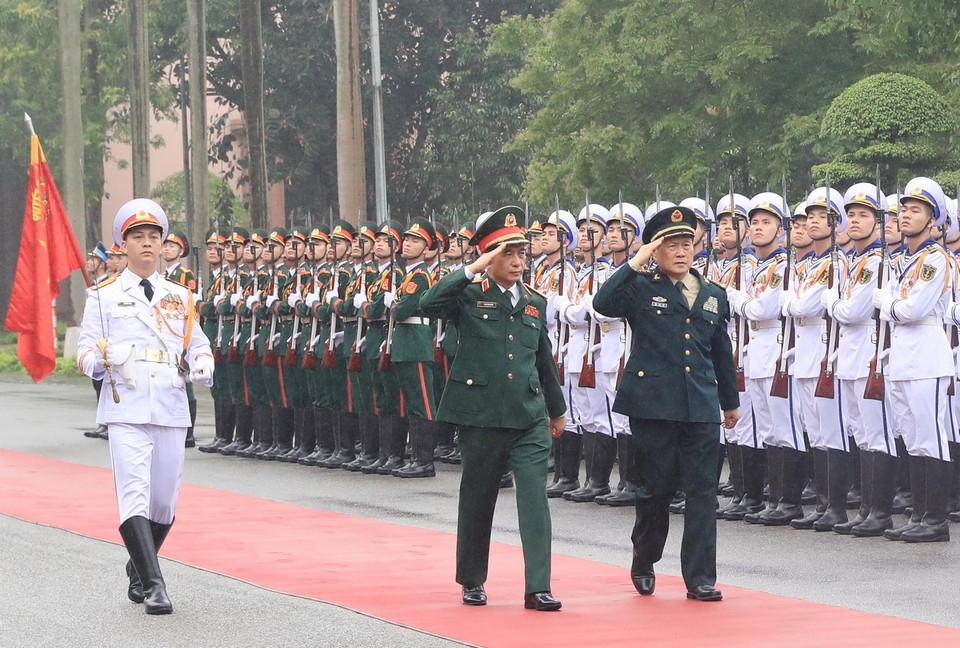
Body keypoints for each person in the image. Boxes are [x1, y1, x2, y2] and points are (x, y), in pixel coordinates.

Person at [419, 206, 566, 611]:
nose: (519, 262)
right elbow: (428, 303)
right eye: (508, 254)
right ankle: (472, 579)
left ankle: (538, 586)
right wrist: (471, 268)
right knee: (478, 497)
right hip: (481, 416)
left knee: (534, 497)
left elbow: (543, 360)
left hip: (528, 415)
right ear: (488, 256)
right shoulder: (467, 295)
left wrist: (557, 410)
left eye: (522, 254)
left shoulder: (535, 301)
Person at [593, 205, 739, 602]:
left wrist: (730, 400)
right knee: (655, 489)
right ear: (655, 251)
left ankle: (700, 577)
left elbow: (720, 351)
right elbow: (602, 303)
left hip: (701, 404)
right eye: (670, 245)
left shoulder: (712, 294)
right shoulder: (641, 287)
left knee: (703, 492)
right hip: (653, 405)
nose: (680, 251)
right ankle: (645, 555)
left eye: (686, 243)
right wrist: (636, 261)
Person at [76, 199, 214, 614]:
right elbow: (84, 354)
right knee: (133, 494)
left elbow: (197, 343)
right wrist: (101, 359)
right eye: (138, 237)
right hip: (126, 405)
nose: (148, 244)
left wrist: (204, 362)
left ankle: (137, 566)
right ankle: (155, 586)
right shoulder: (103, 296)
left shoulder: (180, 296)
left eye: (155, 237)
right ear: (124, 245)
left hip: (171, 405)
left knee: (165, 503)